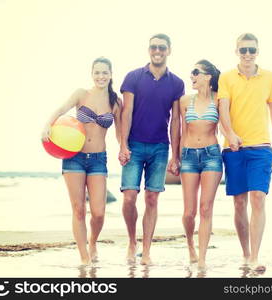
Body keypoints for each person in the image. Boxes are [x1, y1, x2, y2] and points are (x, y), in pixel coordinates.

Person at [41, 57, 122, 265]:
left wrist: (124, 149)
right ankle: (84, 257)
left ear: (111, 74)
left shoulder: (115, 102)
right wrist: (47, 126)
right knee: (78, 209)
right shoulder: (81, 94)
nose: (101, 76)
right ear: (92, 74)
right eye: (97, 72)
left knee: (99, 212)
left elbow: (120, 134)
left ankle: (93, 242)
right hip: (74, 158)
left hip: (98, 160)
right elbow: (61, 110)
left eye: (105, 72)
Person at [218, 33, 272, 271]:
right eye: (243, 50)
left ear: (258, 51)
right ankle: (245, 253)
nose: (247, 54)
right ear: (236, 51)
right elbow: (223, 109)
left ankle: (255, 256)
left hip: (261, 148)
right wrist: (230, 135)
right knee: (239, 202)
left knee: (258, 197)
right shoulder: (226, 78)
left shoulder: (269, 77)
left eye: (251, 50)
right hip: (234, 148)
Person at [119, 33, 184, 265]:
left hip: (159, 147)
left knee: (152, 198)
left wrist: (175, 155)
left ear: (169, 50)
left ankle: (146, 251)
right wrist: (123, 144)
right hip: (134, 145)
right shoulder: (133, 77)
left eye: (162, 47)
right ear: (149, 49)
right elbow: (126, 113)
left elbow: (176, 121)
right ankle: (131, 241)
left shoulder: (177, 83)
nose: (157, 51)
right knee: (129, 197)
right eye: (154, 47)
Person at [179, 60, 222, 270]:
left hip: (212, 155)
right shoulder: (185, 100)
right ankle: (190, 246)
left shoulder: (220, 100)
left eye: (195, 72)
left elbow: (229, 123)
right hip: (188, 156)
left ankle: (203, 259)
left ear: (208, 76)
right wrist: (175, 157)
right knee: (189, 212)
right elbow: (179, 131)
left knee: (206, 208)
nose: (192, 76)